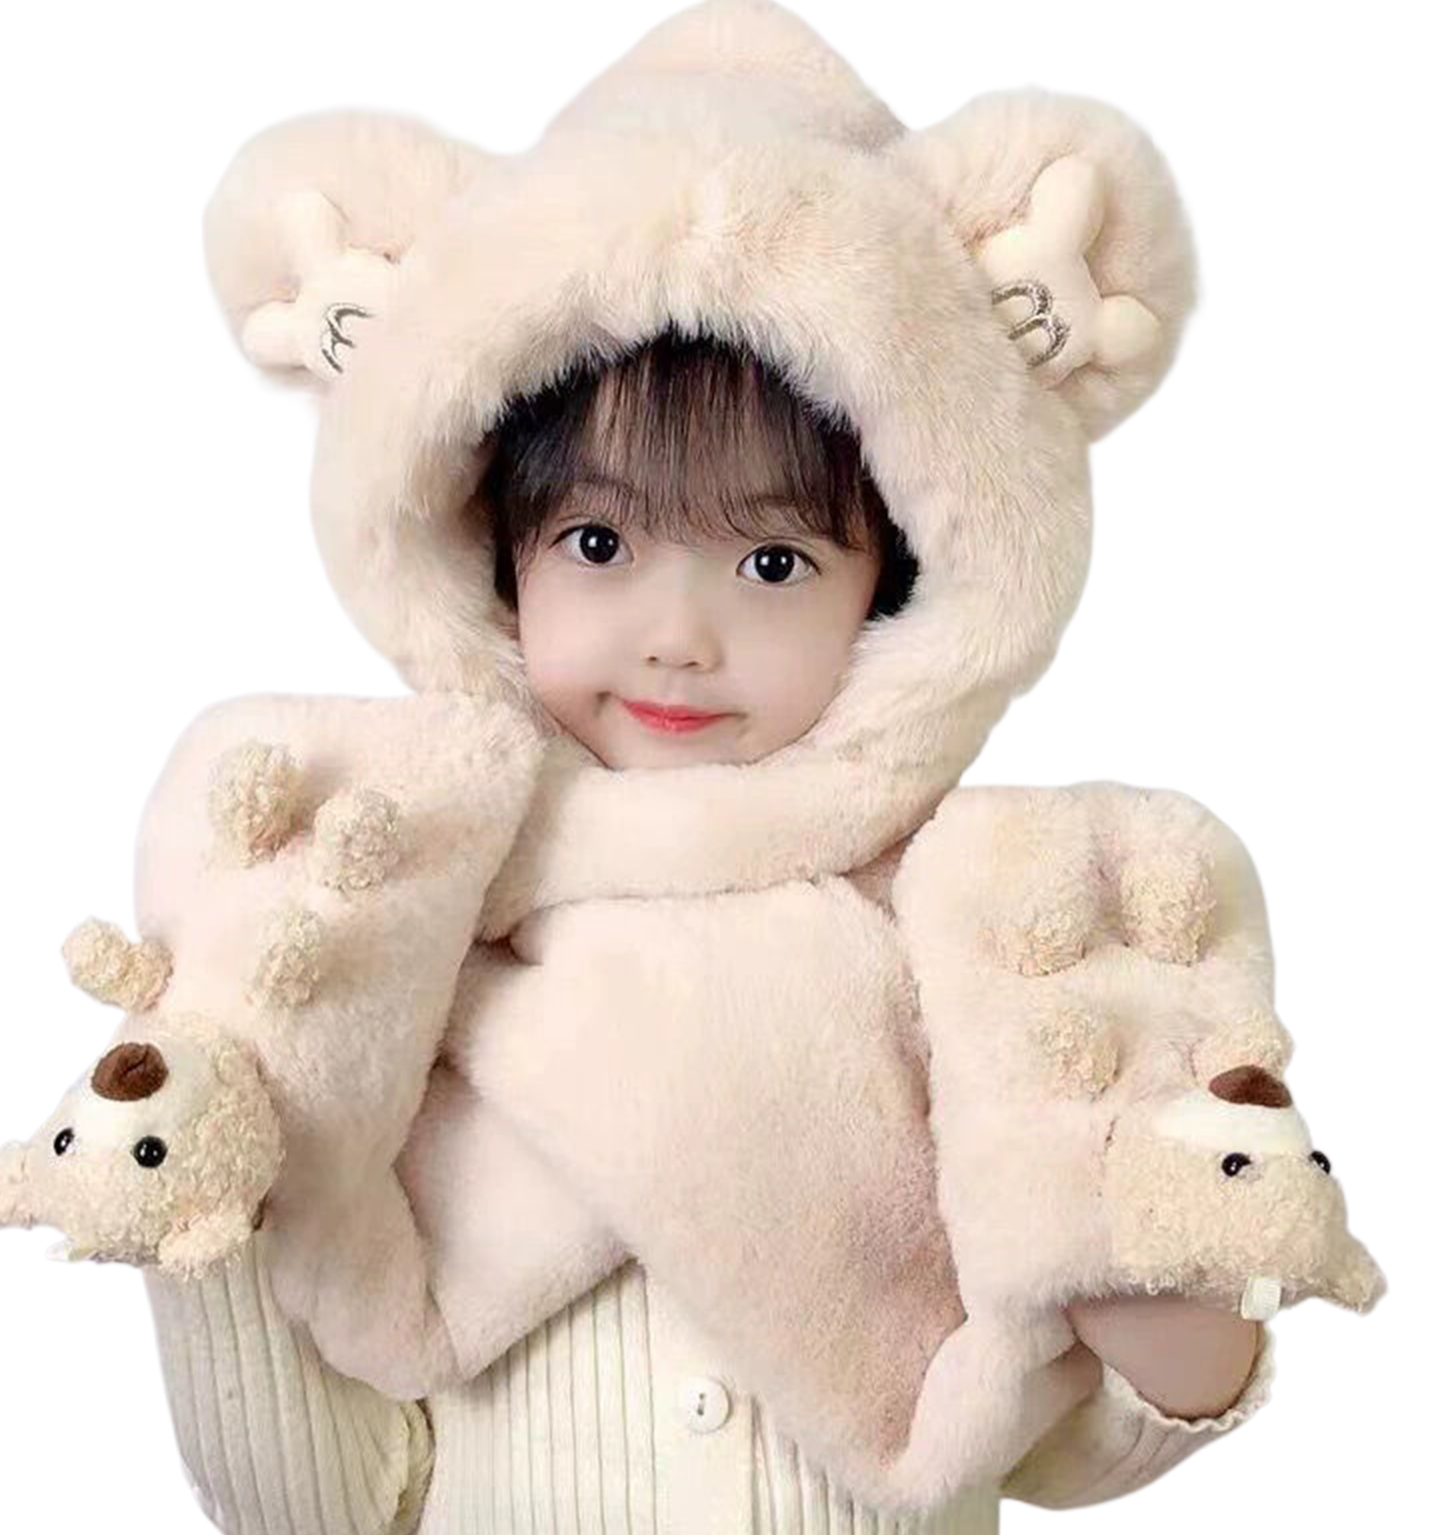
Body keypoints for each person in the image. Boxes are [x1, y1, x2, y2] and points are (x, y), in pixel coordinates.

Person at [142, 330, 1272, 1535]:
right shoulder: (403, 947)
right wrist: (196, 1218)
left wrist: (1167, 1324)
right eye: (599, 543)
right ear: (497, 564)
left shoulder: (976, 934)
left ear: (892, 597)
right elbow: (336, 1506)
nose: (678, 634)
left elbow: (1047, 1451)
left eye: (774, 561)